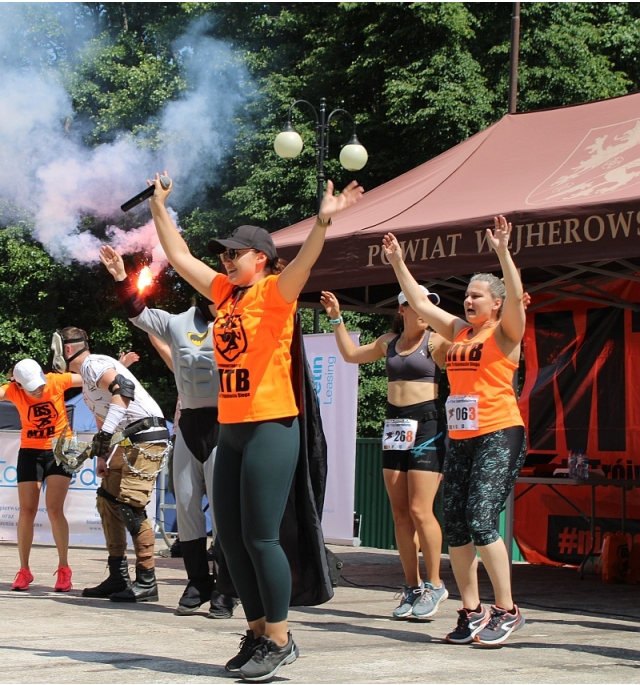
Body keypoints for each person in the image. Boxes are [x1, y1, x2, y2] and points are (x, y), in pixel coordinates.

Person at [149, 171, 362, 681]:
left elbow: (306, 262)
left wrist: (323, 223)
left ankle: (282, 638)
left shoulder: (274, 292)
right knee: (231, 540)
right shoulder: (224, 295)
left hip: (272, 426)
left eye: (234, 253)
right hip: (232, 427)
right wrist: (159, 207)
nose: (225, 260)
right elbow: (179, 257)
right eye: (223, 254)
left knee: (262, 537)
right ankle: (258, 629)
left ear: (260, 257)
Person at [383, 215, 527, 647]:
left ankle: (507, 609)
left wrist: (503, 253)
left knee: (482, 519)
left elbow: (517, 297)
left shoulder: (506, 333)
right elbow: (421, 305)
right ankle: (471, 610)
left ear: (495, 304)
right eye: (465, 295)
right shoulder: (459, 331)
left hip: (499, 432)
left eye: (476, 296)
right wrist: (397, 263)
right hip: (461, 437)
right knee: (457, 524)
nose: (468, 301)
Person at [99, 245, 239, 619]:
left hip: (227, 423)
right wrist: (119, 276)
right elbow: (138, 313)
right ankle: (197, 582)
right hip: (189, 423)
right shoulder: (178, 322)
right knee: (189, 506)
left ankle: (228, 588)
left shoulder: (241, 320)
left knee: (225, 513)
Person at [320, 288, 449, 619]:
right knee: (400, 511)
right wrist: (336, 318)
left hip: (427, 424)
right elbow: (350, 355)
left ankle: (435, 584)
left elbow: (467, 352)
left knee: (421, 509)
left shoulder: (435, 343)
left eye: (430, 305)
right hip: (394, 425)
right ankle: (412, 586)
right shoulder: (387, 341)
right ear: (402, 308)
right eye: (417, 304)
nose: (425, 310)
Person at [51, 326, 169, 603]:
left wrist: (105, 437)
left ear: (67, 349)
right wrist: (103, 455)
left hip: (145, 435)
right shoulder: (88, 379)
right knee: (107, 499)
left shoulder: (94, 364)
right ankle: (118, 575)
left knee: (130, 504)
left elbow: (123, 390)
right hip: (127, 439)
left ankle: (147, 579)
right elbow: (105, 414)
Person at [0, 358, 81, 592]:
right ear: (19, 385)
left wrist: (117, 367)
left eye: (39, 384)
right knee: (26, 510)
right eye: (32, 387)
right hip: (30, 449)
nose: (39, 390)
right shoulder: (12, 390)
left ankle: (64, 568)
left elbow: (90, 377)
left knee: (54, 508)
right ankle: (24, 569)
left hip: (62, 447)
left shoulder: (55, 380)